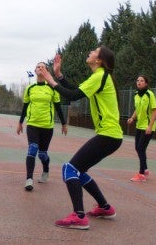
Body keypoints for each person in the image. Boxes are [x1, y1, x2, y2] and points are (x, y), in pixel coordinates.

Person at [40, 46, 123, 230]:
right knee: (79, 171)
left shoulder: (100, 76)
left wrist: (51, 80)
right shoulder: (100, 76)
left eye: (94, 51)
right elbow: (77, 90)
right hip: (111, 136)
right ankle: (105, 208)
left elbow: (72, 96)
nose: (90, 51)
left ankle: (79, 216)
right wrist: (59, 75)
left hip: (108, 135)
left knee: (69, 170)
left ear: (99, 60)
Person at [17, 62, 68, 191]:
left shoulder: (52, 88)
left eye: (43, 67)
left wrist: (63, 123)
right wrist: (20, 123)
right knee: (32, 149)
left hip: (47, 126)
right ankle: (29, 179)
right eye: (38, 67)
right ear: (35, 70)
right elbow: (25, 107)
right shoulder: (30, 88)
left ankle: (46, 170)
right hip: (33, 124)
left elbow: (58, 107)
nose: (40, 68)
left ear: (47, 72)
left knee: (42, 154)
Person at [127, 75, 156, 182]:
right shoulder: (136, 95)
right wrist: (132, 118)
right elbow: (137, 109)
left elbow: (155, 111)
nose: (139, 82)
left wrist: (150, 126)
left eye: (142, 81)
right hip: (139, 126)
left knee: (140, 148)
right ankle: (145, 169)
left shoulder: (150, 95)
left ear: (146, 83)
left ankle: (141, 174)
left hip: (148, 127)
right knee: (138, 148)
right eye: (138, 81)